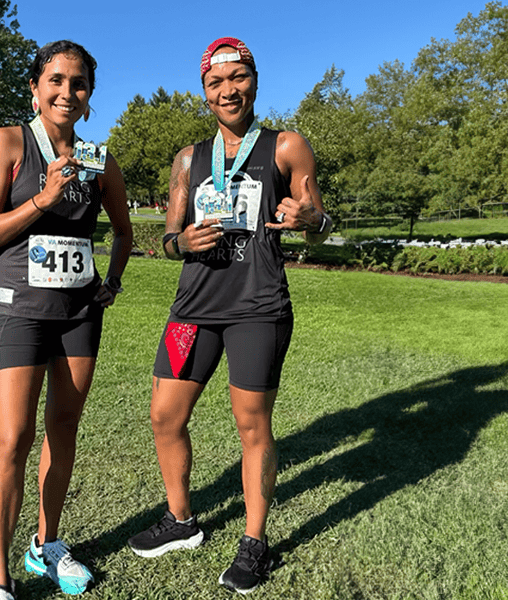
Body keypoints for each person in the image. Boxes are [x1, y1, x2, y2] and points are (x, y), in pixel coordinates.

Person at [126, 37, 332, 594]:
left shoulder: (285, 146)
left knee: (251, 426)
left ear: (255, 80)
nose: (228, 90)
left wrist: (306, 217)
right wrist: (182, 241)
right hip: (193, 308)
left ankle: (255, 542)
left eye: (237, 78)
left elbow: (320, 217)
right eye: (216, 83)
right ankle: (181, 521)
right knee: (164, 416)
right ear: (205, 92)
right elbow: (167, 240)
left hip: (257, 307)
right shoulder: (189, 161)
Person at [0, 40, 132, 600]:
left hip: (78, 313)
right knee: (11, 438)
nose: (68, 91)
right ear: (36, 89)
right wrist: (42, 199)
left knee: (62, 429)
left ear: (90, 95)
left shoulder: (97, 157)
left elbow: (124, 230)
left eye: (80, 83)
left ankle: (47, 545)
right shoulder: (8, 142)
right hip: (19, 310)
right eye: (57, 80)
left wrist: (109, 282)